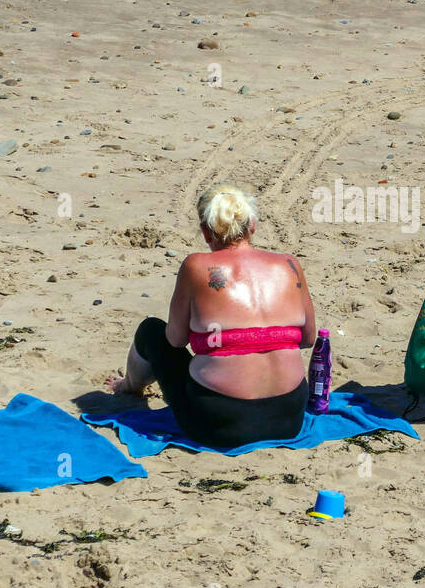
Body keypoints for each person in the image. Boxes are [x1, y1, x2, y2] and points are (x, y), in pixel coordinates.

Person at [105, 184, 315, 446]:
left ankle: (130, 386)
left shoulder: (196, 266)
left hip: (219, 423)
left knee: (152, 331)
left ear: (206, 233)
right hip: (288, 418)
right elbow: (308, 339)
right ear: (253, 225)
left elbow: (175, 340)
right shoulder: (289, 264)